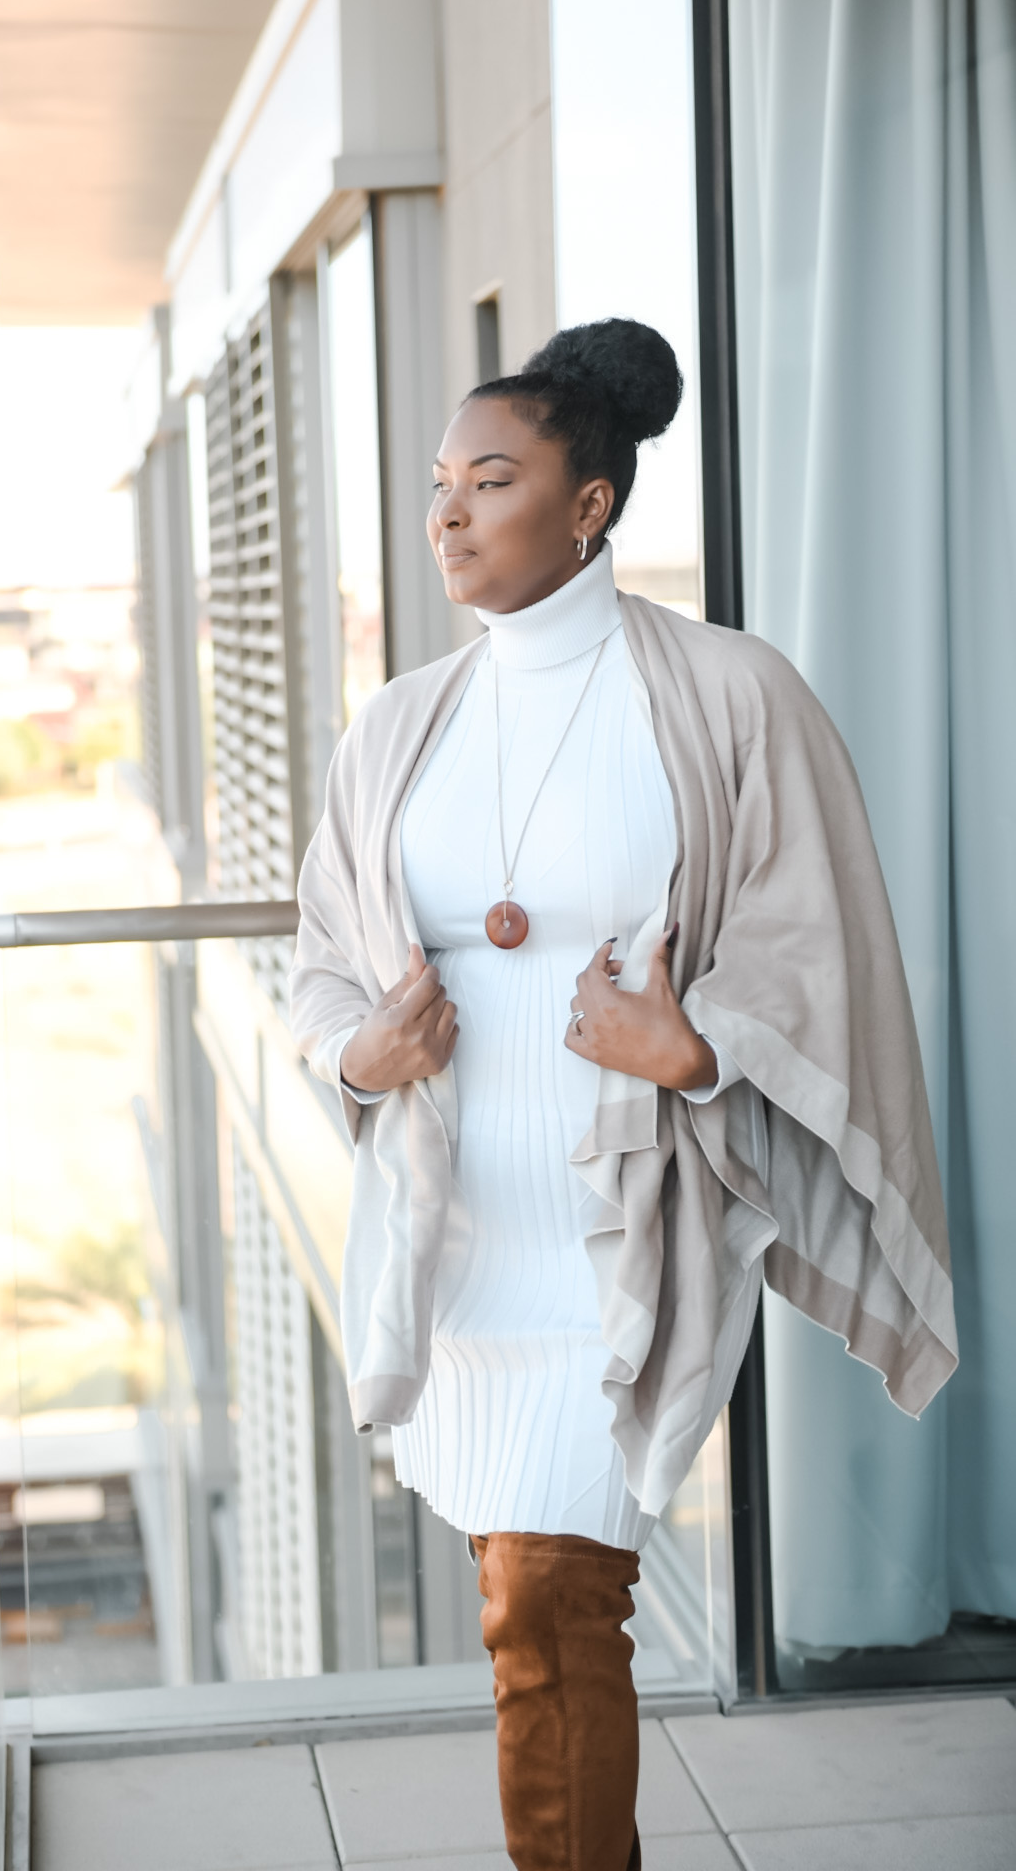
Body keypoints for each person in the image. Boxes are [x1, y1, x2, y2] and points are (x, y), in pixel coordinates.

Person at [289, 319, 956, 1871]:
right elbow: (321, 959)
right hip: (458, 1244)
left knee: (546, 1603)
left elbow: (819, 944)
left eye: (491, 480)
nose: (446, 513)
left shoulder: (730, 697)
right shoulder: (397, 728)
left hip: (620, 1230)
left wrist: (694, 1047)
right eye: (439, 484)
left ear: (588, 507)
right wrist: (354, 1053)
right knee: (527, 1601)